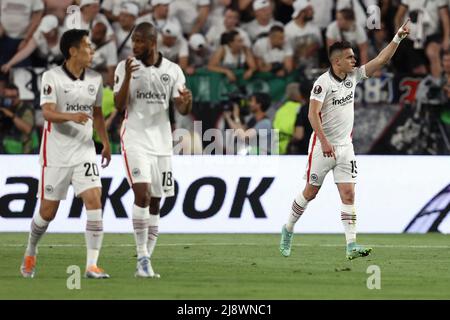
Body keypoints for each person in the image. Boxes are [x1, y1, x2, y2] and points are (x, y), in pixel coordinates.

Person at [279, 20, 411, 260]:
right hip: (322, 146)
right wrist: (324, 141)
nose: (354, 60)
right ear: (336, 61)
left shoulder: (354, 76)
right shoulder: (322, 83)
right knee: (310, 192)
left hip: (345, 147)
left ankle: (351, 246)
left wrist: (398, 38)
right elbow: (312, 114)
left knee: (348, 195)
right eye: (350, 57)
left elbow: (381, 61)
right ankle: (288, 228)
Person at [20, 29, 112, 279]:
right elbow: (47, 113)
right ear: (73, 50)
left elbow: (98, 114)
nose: (92, 51)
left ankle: (92, 265)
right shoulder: (52, 77)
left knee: (94, 200)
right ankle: (31, 249)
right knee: (47, 213)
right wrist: (71, 116)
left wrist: (104, 142)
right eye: (87, 46)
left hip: (84, 151)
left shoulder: (95, 78)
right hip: (56, 154)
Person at [114, 22, 192, 278]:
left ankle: (144, 263)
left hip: (161, 141)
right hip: (135, 137)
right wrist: (126, 75)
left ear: (152, 42)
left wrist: (186, 103)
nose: (135, 46)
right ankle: (142, 255)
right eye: (133, 41)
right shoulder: (126, 67)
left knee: (157, 201)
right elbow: (118, 104)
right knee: (142, 193)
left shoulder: (173, 70)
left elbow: (182, 109)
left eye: (139, 41)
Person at [0, 83, 36, 154]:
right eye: (7, 97)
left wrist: (11, 115)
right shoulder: (3, 107)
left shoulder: (26, 108)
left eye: (13, 97)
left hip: (21, 148)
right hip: (5, 146)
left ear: (18, 96)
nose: (11, 100)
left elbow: (27, 129)